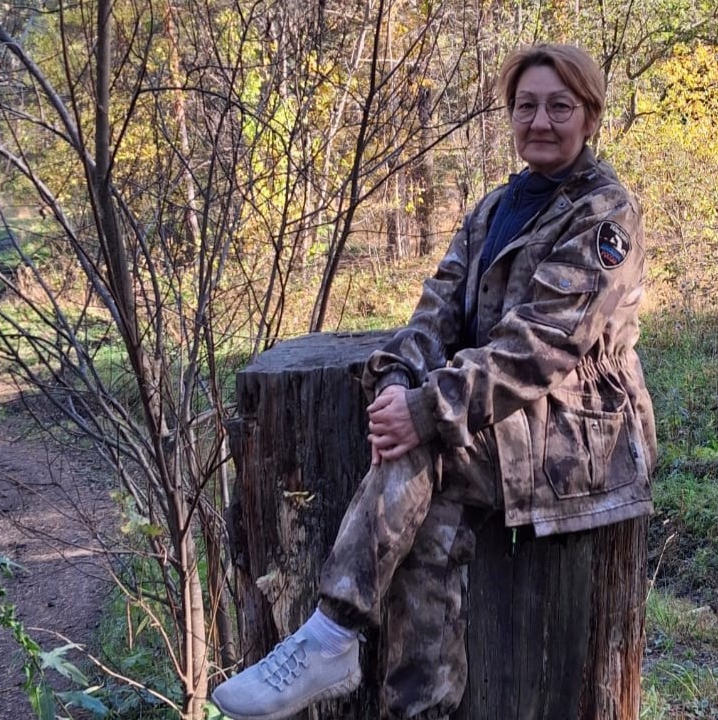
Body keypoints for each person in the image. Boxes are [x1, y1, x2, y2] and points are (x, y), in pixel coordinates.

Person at [211, 42, 657, 720]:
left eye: (560, 107)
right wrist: (397, 381)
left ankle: (331, 633)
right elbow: (435, 312)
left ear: (590, 117)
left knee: (423, 448)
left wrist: (425, 409)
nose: (540, 121)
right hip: (500, 421)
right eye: (526, 106)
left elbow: (541, 346)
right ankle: (416, 709)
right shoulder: (495, 208)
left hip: (573, 437)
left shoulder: (605, 215)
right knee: (427, 519)